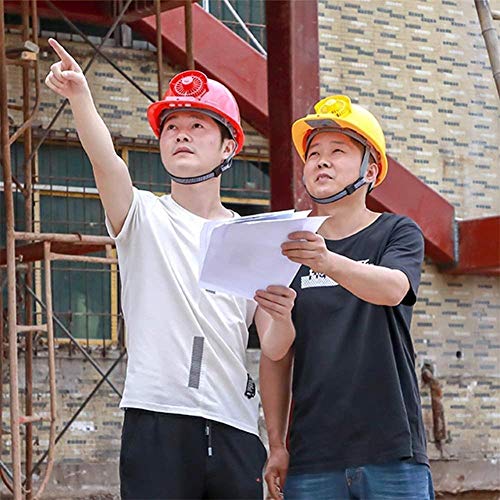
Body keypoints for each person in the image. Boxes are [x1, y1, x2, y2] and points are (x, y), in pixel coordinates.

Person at [45, 37, 292, 499]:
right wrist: (81, 97)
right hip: (156, 420)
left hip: (234, 426)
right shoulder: (143, 217)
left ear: (227, 148)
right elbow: (105, 162)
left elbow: (274, 347)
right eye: (172, 125)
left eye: (198, 125)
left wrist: (282, 315)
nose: (180, 133)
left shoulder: (252, 237)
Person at [260, 95, 435, 499]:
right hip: (313, 458)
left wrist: (327, 260)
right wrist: (277, 444)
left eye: (338, 151)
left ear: (370, 170)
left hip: (392, 452)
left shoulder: (397, 232)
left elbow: (394, 289)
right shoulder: (286, 245)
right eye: (314, 153)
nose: (321, 161)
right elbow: (277, 357)